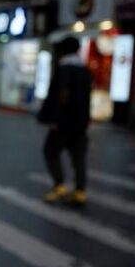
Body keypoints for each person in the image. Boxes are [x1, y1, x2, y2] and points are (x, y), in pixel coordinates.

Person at [37, 37, 92, 206]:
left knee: (50, 151)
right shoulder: (85, 70)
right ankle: (80, 191)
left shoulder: (63, 69)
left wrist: (54, 117)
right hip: (81, 122)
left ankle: (59, 185)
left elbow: (62, 94)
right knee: (78, 158)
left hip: (64, 121)